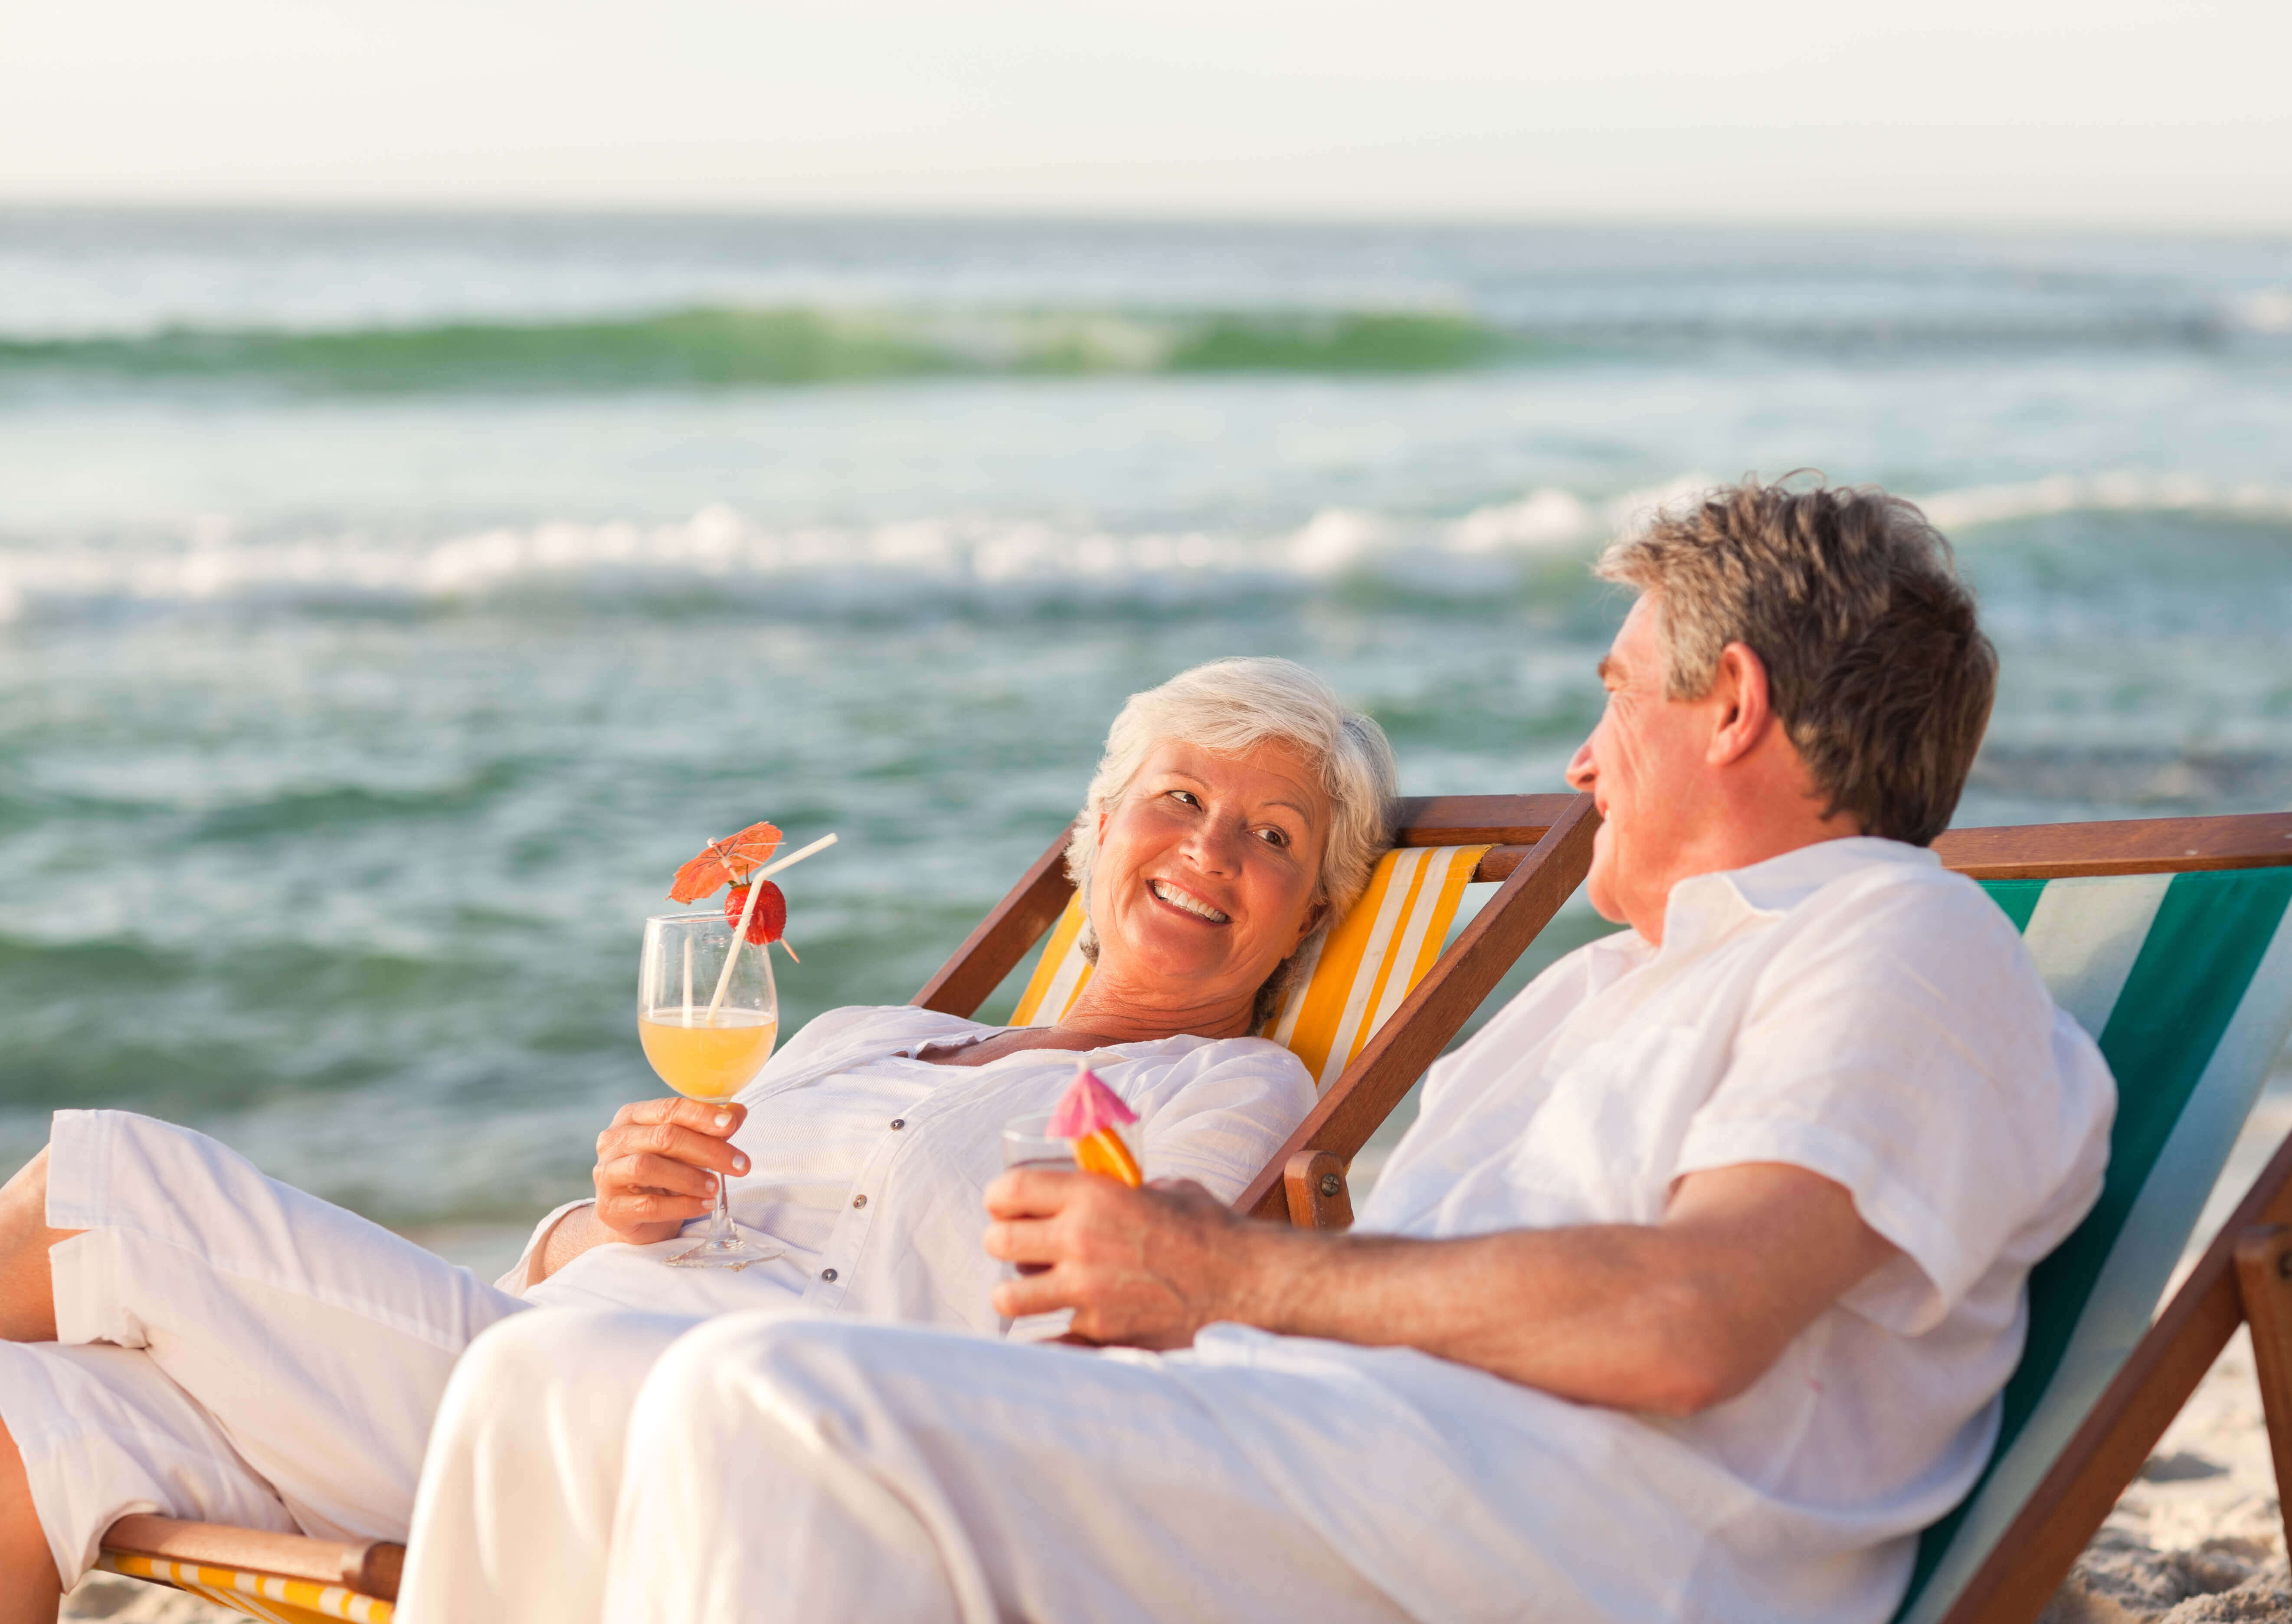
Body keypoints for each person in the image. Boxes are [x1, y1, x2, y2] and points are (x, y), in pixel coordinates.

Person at [396, 479, 2115, 1624]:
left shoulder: (1896, 936)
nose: (1587, 761)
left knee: (768, 1393)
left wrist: (1225, 1269)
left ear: (1729, 704)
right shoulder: (1599, 999)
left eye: (1614, 694)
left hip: (1552, 1544)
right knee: (562, 1373)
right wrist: (1205, 1294)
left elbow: (1688, 1317)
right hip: (1332, 1461)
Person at [0, 656, 1400, 1623]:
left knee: (115, 1185)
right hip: (499, 1360)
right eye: (1181, 800)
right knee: (34, 1405)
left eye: (1275, 837)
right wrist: (614, 1205)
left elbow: (1120, 1318)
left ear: (1309, 914)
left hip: (684, 1433)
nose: (1215, 850)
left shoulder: (1230, 1086)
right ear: (1093, 838)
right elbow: (585, 1251)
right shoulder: (865, 1030)